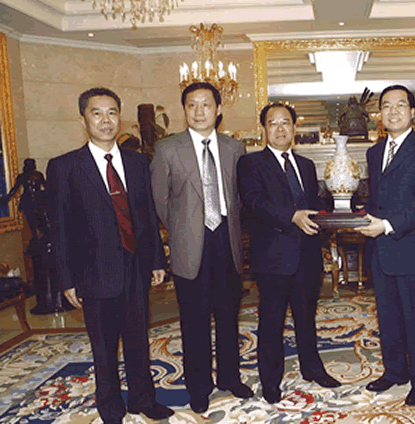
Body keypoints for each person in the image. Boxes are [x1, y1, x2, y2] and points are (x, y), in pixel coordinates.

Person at [45, 87, 174, 424]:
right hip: (94, 271)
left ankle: (143, 400)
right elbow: (59, 229)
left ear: (120, 117)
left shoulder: (137, 162)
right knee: (103, 347)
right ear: (83, 120)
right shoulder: (64, 167)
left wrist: (157, 260)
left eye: (112, 112)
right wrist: (67, 279)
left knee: (138, 339)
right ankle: (111, 407)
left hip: (136, 266)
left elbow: (147, 216)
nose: (106, 120)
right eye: (97, 113)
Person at [150, 82, 253, 413]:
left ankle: (230, 378)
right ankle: (199, 387)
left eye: (206, 104)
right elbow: (160, 201)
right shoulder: (167, 149)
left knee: (228, 316)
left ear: (218, 110)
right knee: (193, 321)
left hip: (227, 242)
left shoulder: (235, 148)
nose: (198, 111)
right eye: (191, 105)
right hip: (189, 245)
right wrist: (183, 229)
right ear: (184, 110)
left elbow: (240, 197)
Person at [237, 102, 341, 405]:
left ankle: (312, 368)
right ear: (264, 129)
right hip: (273, 256)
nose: (280, 129)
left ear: (294, 127)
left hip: (307, 255)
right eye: (273, 123)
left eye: (285, 122)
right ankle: (271, 381)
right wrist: (291, 217)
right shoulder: (250, 163)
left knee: (307, 317)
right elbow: (254, 202)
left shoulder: (306, 165)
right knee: (271, 321)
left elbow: (313, 206)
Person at [354, 85, 415, 406]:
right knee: (388, 316)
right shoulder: (374, 152)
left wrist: (387, 225)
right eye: (386, 106)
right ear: (380, 114)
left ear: (413, 112)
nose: (393, 111)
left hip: (413, 247)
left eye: (400, 105)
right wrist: (360, 214)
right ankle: (395, 371)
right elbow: (377, 198)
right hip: (381, 250)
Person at [0, 158, 49, 241]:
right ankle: (35, 238)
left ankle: (42, 237)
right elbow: (15, 188)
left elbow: (46, 186)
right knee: (31, 221)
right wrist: (7, 198)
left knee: (41, 220)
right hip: (29, 201)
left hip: (37, 200)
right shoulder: (23, 176)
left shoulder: (37, 175)